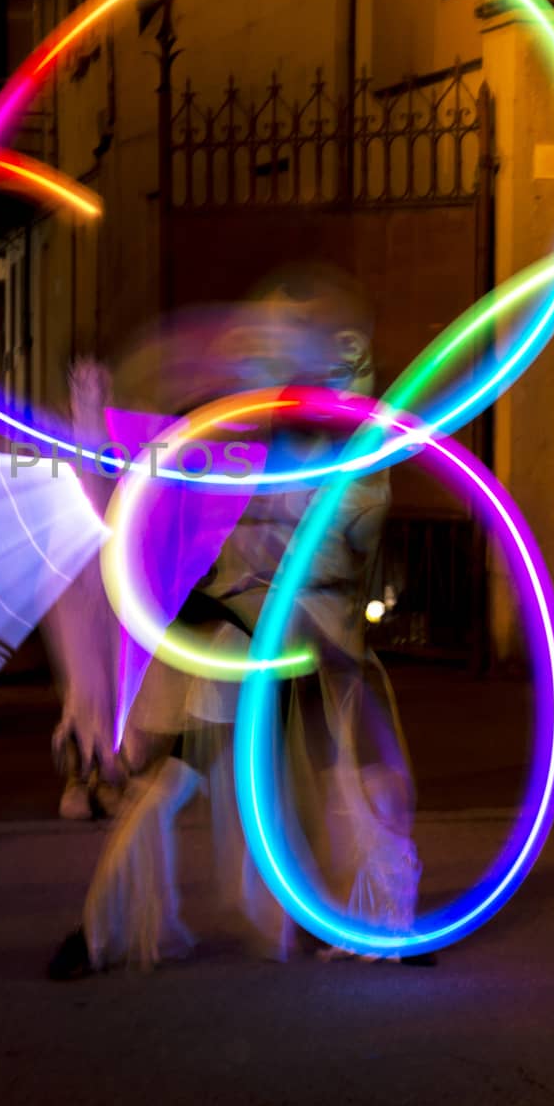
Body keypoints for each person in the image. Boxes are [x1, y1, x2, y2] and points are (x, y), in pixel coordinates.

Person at [48, 265, 423, 978]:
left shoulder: (361, 468)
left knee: (359, 777)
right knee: (176, 778)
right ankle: (111, 931)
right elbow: (136, 494)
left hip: (311, 643)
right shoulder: (253, 440)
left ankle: (383, 920)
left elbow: (342, 559)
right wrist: (92, 417)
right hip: (247, 635)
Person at [42, 359, 125, 820]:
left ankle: (107, 772)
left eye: (98, 380)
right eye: (82, 381)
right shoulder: (54, 443)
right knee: (84, 679)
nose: (90, 387)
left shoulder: (120, 440)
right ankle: (83, 771)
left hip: (109, 575)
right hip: (73, 575)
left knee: (109, 677)